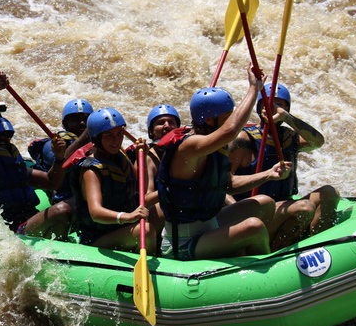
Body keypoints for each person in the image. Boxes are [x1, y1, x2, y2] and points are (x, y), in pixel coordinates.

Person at [156, 64, 284, 261]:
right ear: (209, 121)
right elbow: (230, 131)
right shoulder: (190, 146)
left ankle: (251, 251)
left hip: (210, 226)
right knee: (254, 227)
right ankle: (262, 264)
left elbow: (229, 185)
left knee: (264, 204)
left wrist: (268, 174)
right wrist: (254, 89)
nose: (232, 119)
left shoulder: (214, 145)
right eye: (227, 116)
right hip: (183, 243)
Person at [0, 73, 70, 238]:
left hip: (25, 223)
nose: (3, 139)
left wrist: (59, 158)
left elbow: (52, 182)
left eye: (6, 136)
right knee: (62, 210)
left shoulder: (13, 166)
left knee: (71, 206)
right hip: (2, 230)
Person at [229, 83, 340, 242]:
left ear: (286, 109)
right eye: (268, 105)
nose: (273, 109)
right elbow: (224, 184)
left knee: (330, 193)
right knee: (305, 208)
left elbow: (318, 142)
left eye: (278, 105)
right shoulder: (245, 140)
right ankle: (275, 250)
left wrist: (287, 118)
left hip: (283, 206)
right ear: (259, 108)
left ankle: (319, 245)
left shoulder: (290, 138)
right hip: (255, 214)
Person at [66, 108, 158, 253]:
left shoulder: (118, 153)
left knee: (161, 210)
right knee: (145, 230)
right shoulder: (91, 170)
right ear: (97, 138)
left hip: (122, 227)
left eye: (119, 133)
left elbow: (140, 187)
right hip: (97, 238)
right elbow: (96, 213)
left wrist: (143, 157)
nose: (116, 140)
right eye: (109, 135)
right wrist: (128, 217)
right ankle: (151, 260)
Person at [28, 98, 93, 203]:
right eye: (75, 120)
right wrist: (83, 139)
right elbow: (62, 166)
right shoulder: (53, 145)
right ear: (64, 124)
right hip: (62, 195)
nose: (82, 123)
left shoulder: (97, 141)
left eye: (86, 119)